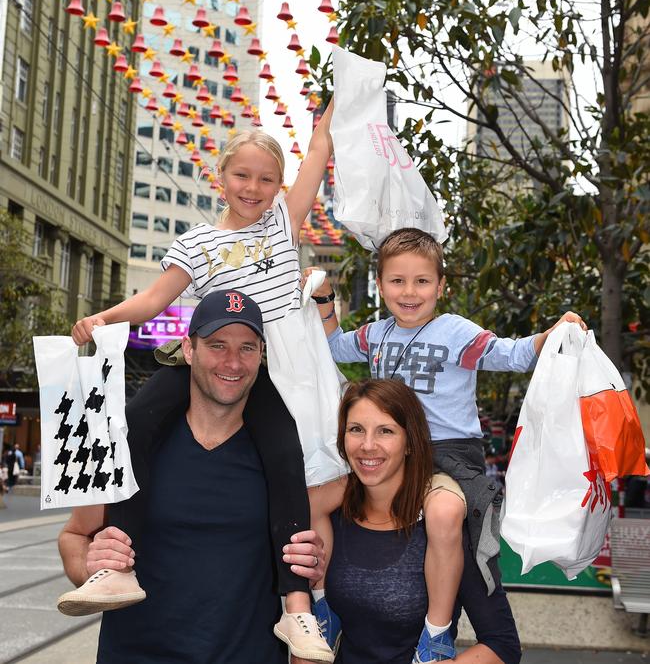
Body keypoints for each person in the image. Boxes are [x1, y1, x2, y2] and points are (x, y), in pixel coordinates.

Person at [66, 113, 336, 662]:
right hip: (215, 355)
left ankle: (296, 608)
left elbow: (314, 163)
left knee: (287, 462)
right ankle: (116, 568)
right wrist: (103, 319)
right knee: (134, 422)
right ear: (221, 177)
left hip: (276, 365)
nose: (253, 189)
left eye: (266, 179)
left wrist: (323, 129)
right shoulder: (198, 243)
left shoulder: (283, 222)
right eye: (242, 175)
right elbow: (154, 301)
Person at [306, 227, 587, 662]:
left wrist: (550, 336)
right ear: (379, 285)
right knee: (315, 499)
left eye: (422, 281)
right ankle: (325, 604)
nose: (409, 292)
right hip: (387, 455)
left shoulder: (454, 331)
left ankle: (436, 632)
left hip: (447, 454)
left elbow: (507, 354)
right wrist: (324, 300)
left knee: (445, 511)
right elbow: (334, 346)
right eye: (397, 281)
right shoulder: (377, 333)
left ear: (441, 285)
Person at [58, 291, 327, 664]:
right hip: (135, 654)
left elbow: (347, 515)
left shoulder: (281, 454)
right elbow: (73, 536)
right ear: (188, 349)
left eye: (247, 348)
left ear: (261, 355)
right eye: (217, 345)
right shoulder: (131, 445)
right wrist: (90, 562)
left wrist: (312, 563)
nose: (233, 362)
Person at [310, 378, 522, 664]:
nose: (367, 445)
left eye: (386, 431)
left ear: (410, 442)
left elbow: (502, 645)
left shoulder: (444, 527)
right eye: (356, 429)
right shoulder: (333, 517)